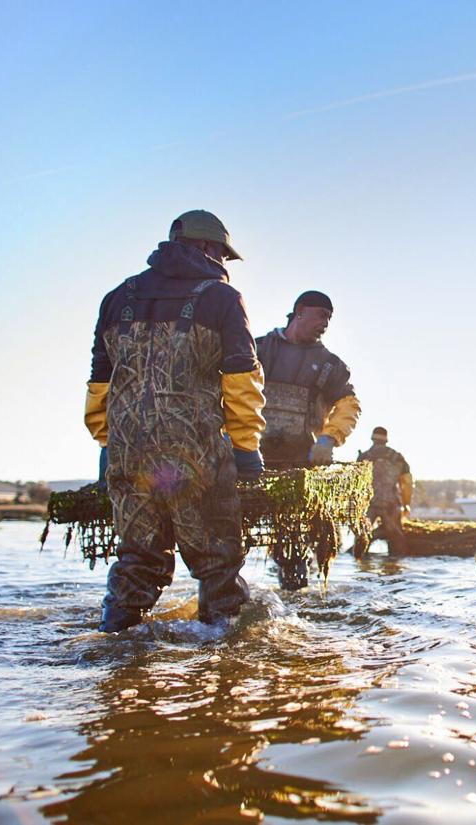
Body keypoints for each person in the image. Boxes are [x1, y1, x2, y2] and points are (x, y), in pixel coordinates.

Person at [84, 210, 265, 632]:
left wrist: (107, 443)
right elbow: (241, 378)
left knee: (137, 557)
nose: (223, 264)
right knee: (217, 560)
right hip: (195, 450)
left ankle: (115, 648)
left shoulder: (117, 298)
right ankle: (225, 660)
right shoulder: (223, 298)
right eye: (222, 253)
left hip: (129, 451)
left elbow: (100, 381)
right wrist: (245, 447)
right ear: (207, 247)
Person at [255, 291, 361, 468]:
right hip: (250, 459)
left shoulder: (331, 365)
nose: (326, 323)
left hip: (301, 466)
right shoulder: (257, 350)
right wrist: (229, 434)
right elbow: (233, 392)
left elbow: (350, 405)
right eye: (322, 315)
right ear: (300, 310)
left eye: (329, 318)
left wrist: (328, 438)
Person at [356, 427, 413, 553]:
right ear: (386, 439)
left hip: (368, 503)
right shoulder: (398, 457)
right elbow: (407, 483)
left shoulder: (363, 457)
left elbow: (357, 486)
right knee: (396, 539)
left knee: (362, 538)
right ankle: (394, 567)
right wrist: (406, 503)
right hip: (391, 503)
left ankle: (360, 566)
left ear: (372, 438)